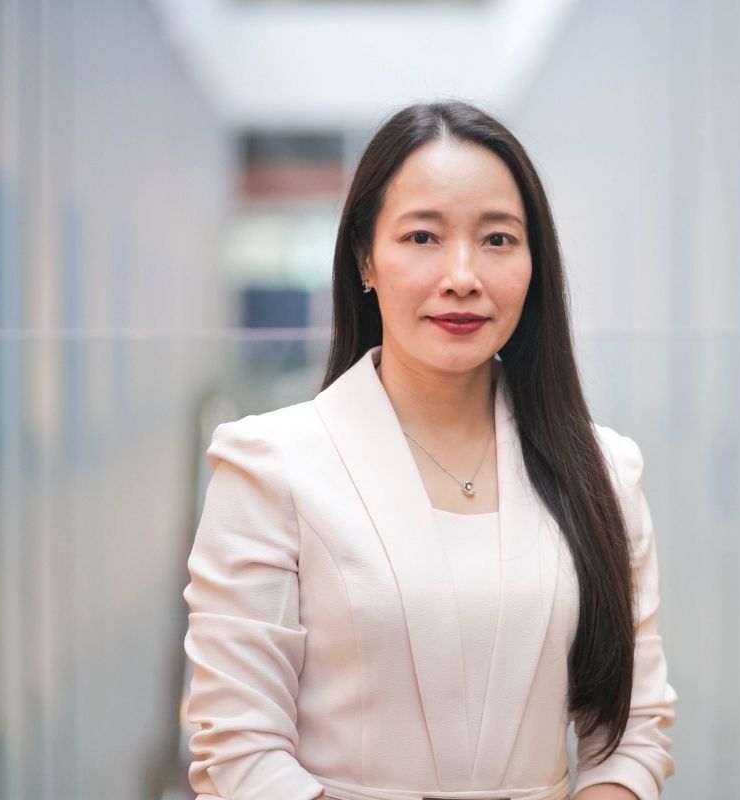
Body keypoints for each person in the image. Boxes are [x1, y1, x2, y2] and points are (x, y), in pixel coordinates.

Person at [182, 100, 677, 800]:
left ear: (536, 264)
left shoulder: (605, 473)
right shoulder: (268, 466)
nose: (463, 275)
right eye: (423, 237)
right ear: (365, 258)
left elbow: (630, 732)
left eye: (498, 240)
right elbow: (239, 750)